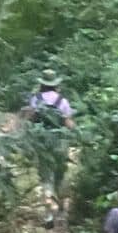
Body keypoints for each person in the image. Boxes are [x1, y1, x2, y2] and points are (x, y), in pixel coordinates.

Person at [24, 72, 74, 211]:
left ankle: (50, 207)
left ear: (42, 84)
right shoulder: (62, 101)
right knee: (59, 172)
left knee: (46, 176)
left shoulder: (36, 99)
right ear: (56, 84)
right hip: (60, 142)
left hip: (42, 142)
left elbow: (29, 119)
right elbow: (69, 124)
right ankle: (59, 201)